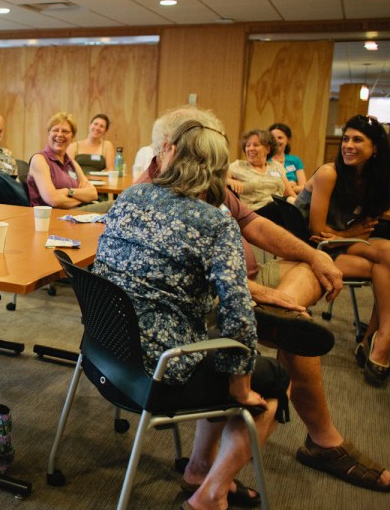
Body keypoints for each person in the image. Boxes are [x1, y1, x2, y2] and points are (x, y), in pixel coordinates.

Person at [142, 107, 390, 494]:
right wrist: (253, 294)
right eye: (210, 147)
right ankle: (322, 437)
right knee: (291, 330)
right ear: (171, 149)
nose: (218, 158)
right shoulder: (158, 197)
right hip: (217, 304)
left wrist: (314, 254)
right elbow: (183, 282)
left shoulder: (208, 184)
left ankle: (280, 322)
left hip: (242, 285)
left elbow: (255, 224)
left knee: (307, 282)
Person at [94, 118, 288, 510]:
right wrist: (239, 386)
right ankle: (209, 493)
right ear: (219, 168)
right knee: (270, 382)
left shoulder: (131, 197)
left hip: (104, 358)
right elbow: (238, 316)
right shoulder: (216, 222)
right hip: (157, 376)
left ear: (172, 155)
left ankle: (199, 469)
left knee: (213, 349)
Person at [295, 114, 390, 388]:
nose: (348, 145)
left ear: (376, 149)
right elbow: (316, 230)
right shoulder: (329, 173)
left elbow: (362, 226)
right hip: (313, 249)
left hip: (341, 243)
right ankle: (379, 342)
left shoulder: (372, 180)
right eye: (346, 139)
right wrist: (347, 235)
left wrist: (346, 236)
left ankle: (374, 339)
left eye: (358, 140)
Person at [26, 112, 98, 208]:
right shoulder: (40, 160)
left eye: (65, 131)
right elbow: (53, 200)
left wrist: (68, 191)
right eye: (55, 130)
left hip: (77, 214)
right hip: (53, 217)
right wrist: (81, 198)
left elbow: (93, 193)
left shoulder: (72, 163)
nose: (59, 135)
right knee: (113, 205)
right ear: (49, 133)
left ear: (72, 137)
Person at [228, 129, 294, 210]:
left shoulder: (276, 166)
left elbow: (289, 192)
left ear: (268, 149)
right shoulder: (238, 166)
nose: (251, 148)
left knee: (293, 203)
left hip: (278, 209)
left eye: (256, 145)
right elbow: (216, 179)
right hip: (254, 212)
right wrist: (229, 181)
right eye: (248, 145)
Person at [269, 123, 306, 195]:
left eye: (280, 138)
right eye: (272, 138)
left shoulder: (295, 160)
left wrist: (290, 189)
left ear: (288, 140)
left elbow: (304, 187)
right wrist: (291, 185)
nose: (276, 141)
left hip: (292, 198)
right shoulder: (263, 161)